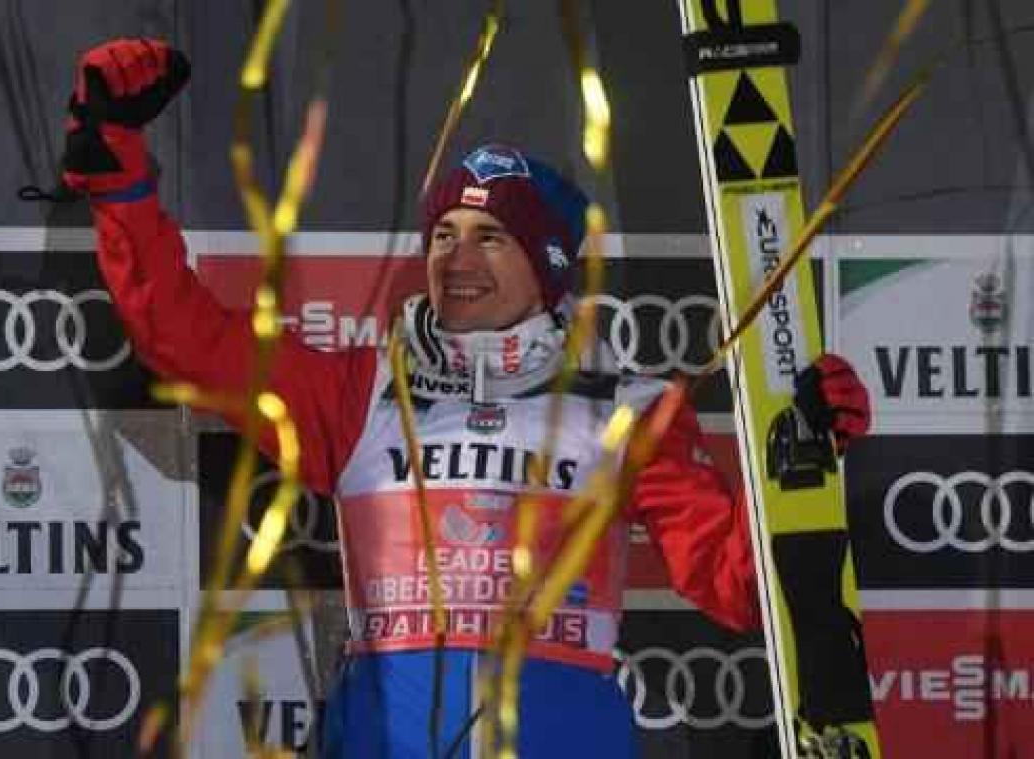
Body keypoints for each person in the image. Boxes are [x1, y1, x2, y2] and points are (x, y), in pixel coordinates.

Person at [59, 39, 871, 759]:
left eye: (491, 236)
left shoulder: (632, 410)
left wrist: (796, 470)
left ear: (550, 264)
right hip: (383, 732)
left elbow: (735, 589)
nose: (457, 255)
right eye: (443, 233)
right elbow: (181, 335)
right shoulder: (359, 389)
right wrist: (120, 175)